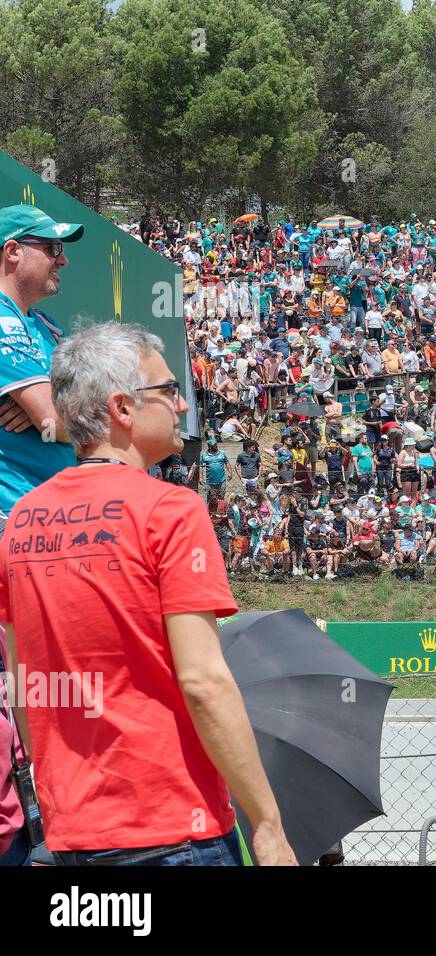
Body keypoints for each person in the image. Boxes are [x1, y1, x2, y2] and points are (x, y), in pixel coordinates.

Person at [0, 323, 295, 865]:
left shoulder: (21, 520)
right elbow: (204, 681)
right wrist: (269, 825)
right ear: (122, 407)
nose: (182, 405)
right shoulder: (170, 509)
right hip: (173, 828)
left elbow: (26, 687)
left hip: (74, 833)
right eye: (167, 390)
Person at [0, 204, 84, 530]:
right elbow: (55, 420)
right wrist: (54, 408)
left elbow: (96, 403)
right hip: (13, 515)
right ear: (12, 251)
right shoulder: (3, 319)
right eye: (52, 248)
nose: (63, 259)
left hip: (47, 513)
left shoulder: (45, 325)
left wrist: (57, 405)